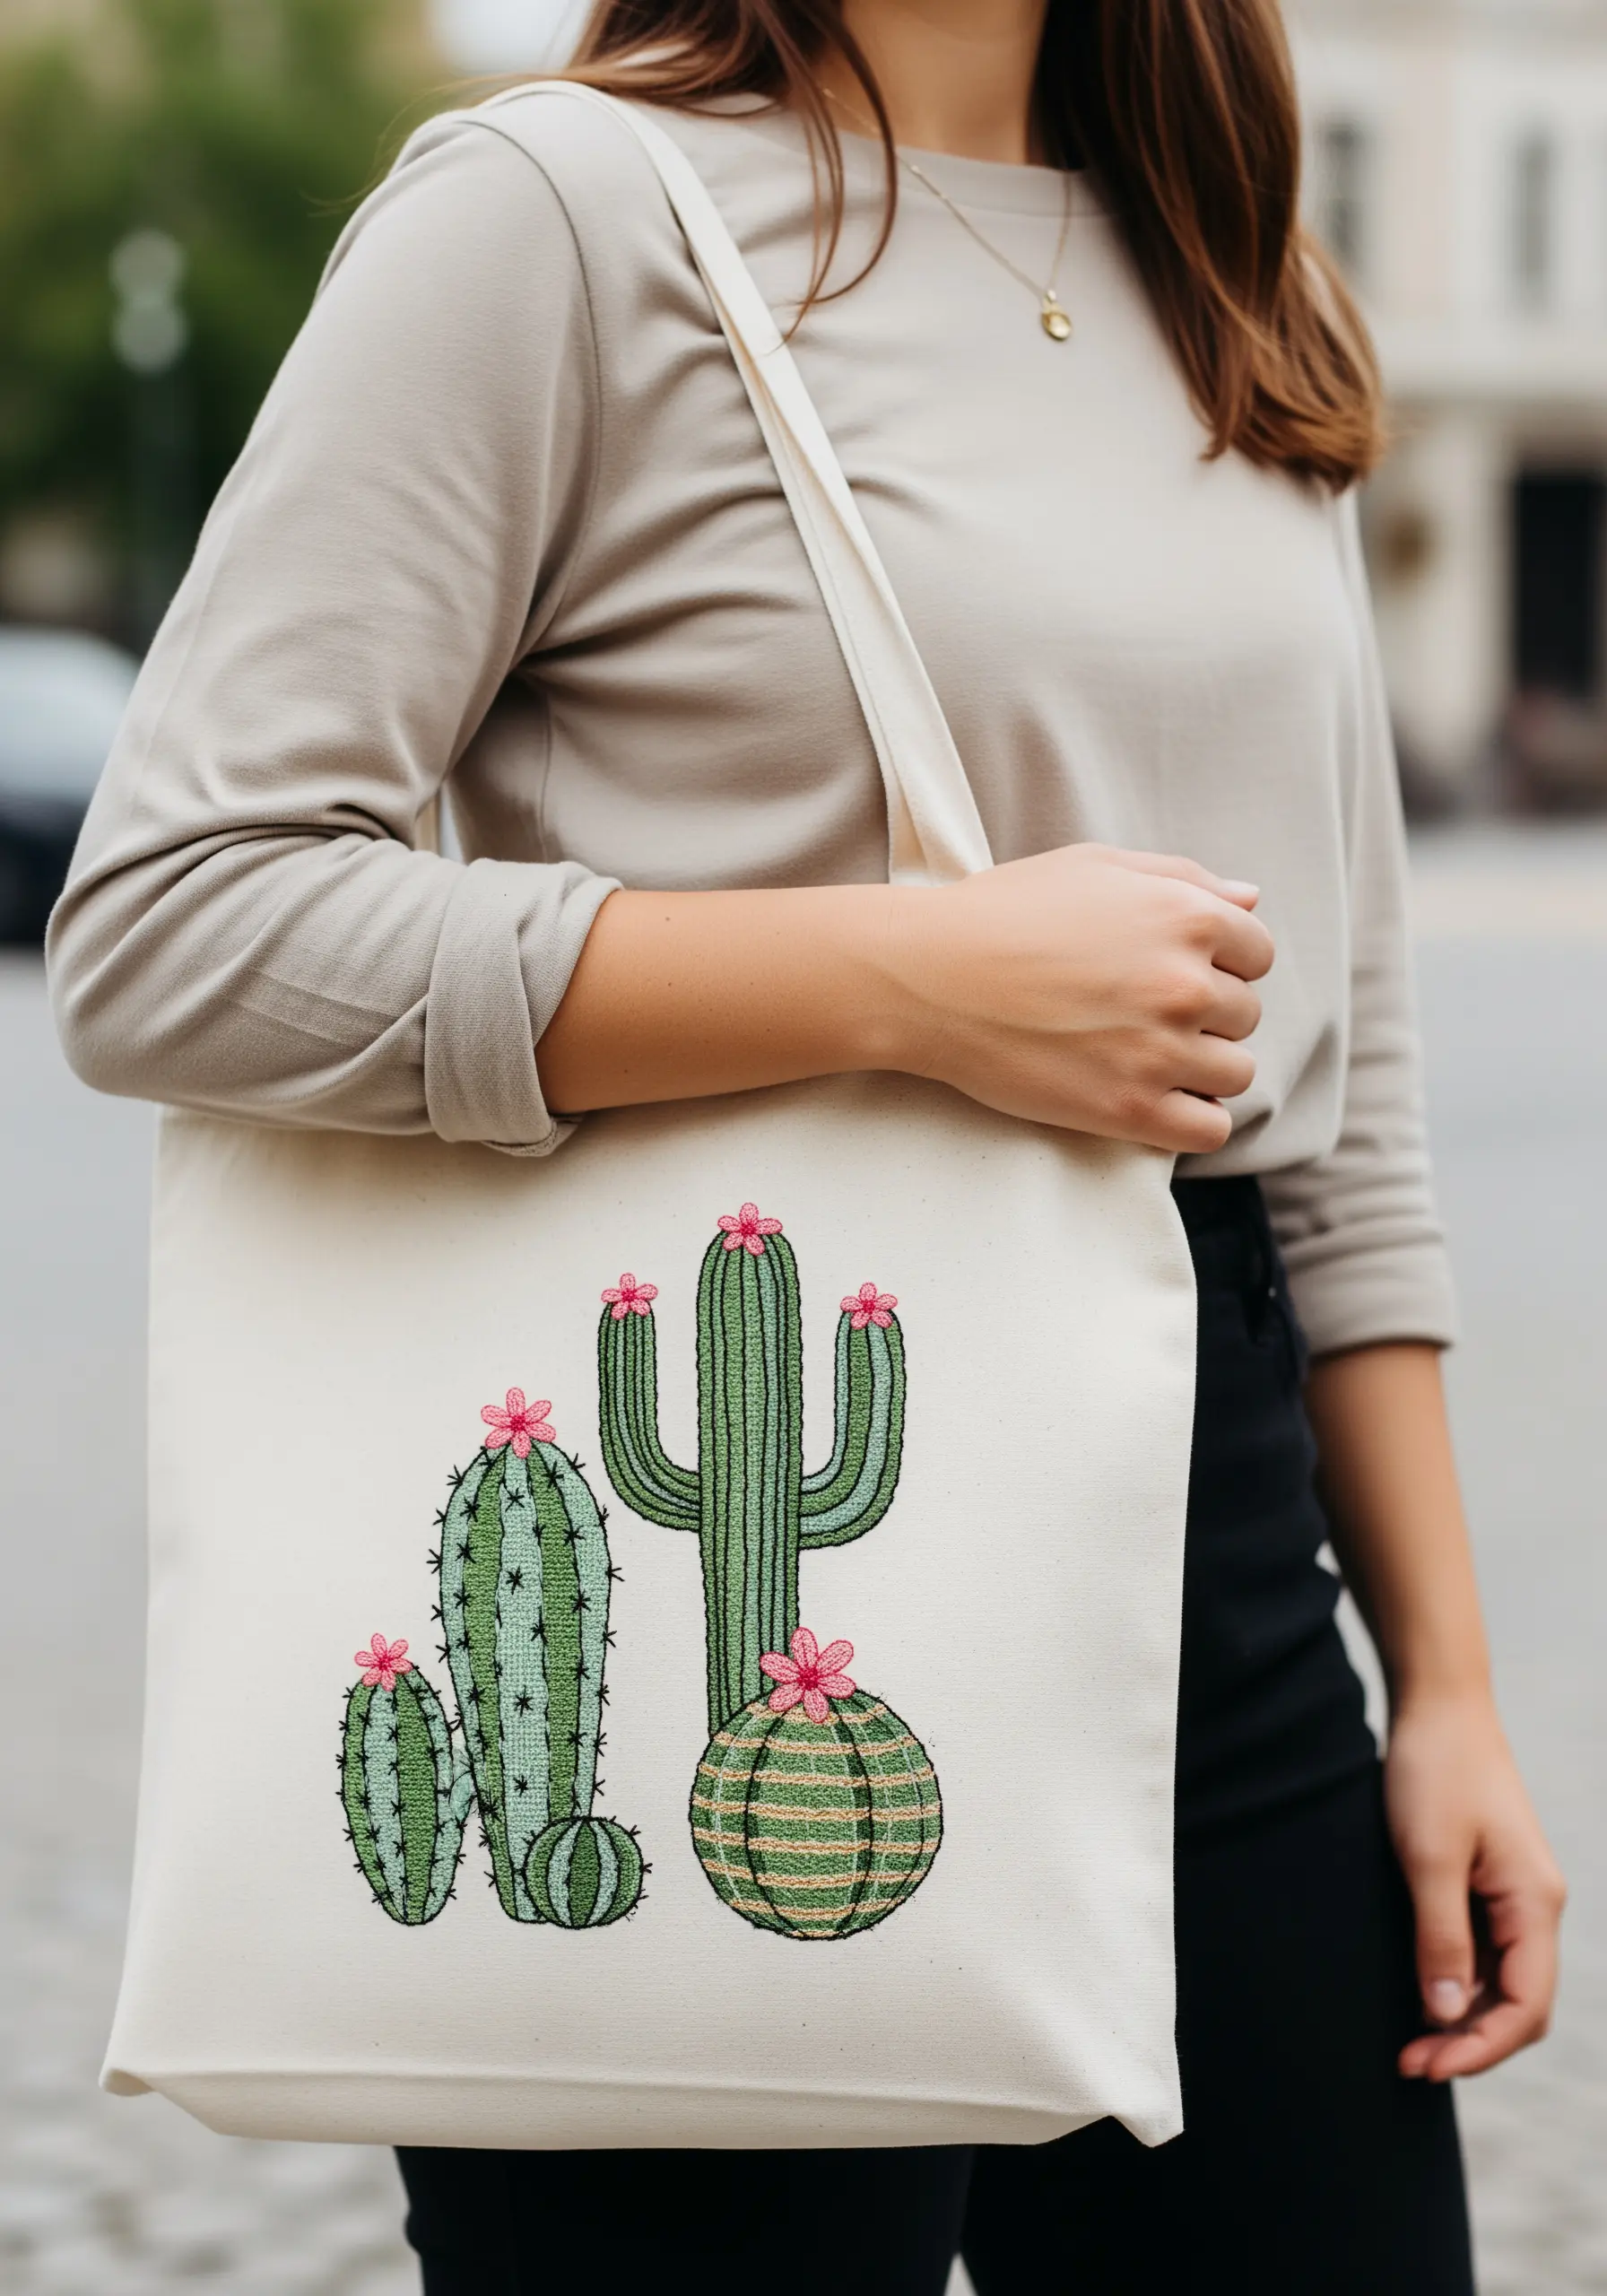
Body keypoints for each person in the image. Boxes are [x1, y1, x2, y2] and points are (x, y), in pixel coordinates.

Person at [50, 1, 1565, 2289]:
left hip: (1224, 1598)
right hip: (715, 1584)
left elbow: (1340, 1090)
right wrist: (906, 979)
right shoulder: (554, 219)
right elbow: (174, 921)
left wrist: (1441, 1684)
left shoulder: (1240, 280)